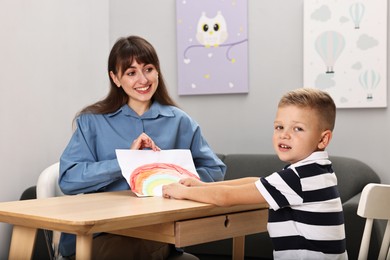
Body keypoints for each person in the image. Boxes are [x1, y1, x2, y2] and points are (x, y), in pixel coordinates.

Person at [58, 35, 226, 259]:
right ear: (115, 78)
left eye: (148, 69)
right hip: (101, 233)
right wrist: (126, 162)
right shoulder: (92, 121)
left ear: (157, 72)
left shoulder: (180, 121)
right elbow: (68, 180)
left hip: (158, 231)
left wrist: (176, 179)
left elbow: (215, 170)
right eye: (131, 72)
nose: (142, 79)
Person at [163, 88, 348, 259]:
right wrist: (204, 186)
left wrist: (182, 192)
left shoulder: (299, 178)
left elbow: (225, 197)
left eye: (297, 128)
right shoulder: (316, 171)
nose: (284, 135)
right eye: (279, 127)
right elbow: (259, 182)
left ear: (323, 139)